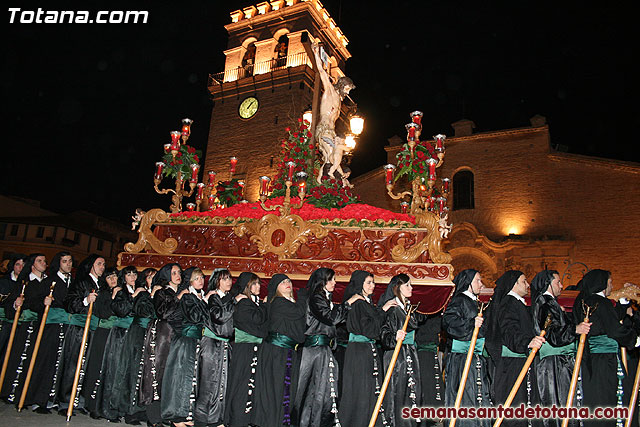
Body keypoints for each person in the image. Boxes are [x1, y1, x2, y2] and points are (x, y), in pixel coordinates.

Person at [294, 268, 362, 426]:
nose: (334, 283)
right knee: (314, 391)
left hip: (323, 349)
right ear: (322, 281)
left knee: (321, 391)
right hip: (315, 350)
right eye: (331, 280)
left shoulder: (323, 298)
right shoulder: (316, 297)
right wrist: (348, 303)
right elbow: (331, 319)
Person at [572, 269, 640, 427]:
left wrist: (623, 303)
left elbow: (607, 320)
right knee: (607, 397)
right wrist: (634, 340)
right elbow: (614, 328)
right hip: (605, 360)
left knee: (595, 399)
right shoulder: (600, 302)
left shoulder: (584, 301)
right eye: (609, 282)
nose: (611, 286)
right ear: (602, 284)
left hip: (590, 359)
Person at [531, 269, 591, 427]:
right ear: (548, 284)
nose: (562, 285)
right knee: (558, 404)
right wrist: (575, 329)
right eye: (558, 282)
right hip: (554, 364)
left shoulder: (550, 303)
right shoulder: (545, 303)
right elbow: (552, 333)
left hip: (561, 362)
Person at [487, 271, 545, 427]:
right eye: (524, 281)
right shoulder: (508, 303)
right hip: (511, 364)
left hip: (519, 362)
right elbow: (509, 329)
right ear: (514, 284)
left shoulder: (517, 303)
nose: (528, 285)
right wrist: (527, 342)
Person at [339, 270, 396, 427]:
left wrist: (382, 310)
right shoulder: (358, 303)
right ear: (360, 285)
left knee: (370, 386)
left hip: (366, 348)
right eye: (368, 283)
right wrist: (383, 310)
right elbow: (370, 329)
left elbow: (372, 322)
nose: (373, 286)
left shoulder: (366, 302)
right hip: (359, 350)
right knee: (361, 387)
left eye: (373, 282)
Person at [22, 251, 74, 413]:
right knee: (46, 361)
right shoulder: (49, 281)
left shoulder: (74, 282)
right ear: (58, 264)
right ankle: (39, 399)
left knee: (63, 363)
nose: (68, 264)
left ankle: (56, 398)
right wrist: (43, 302)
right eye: (65, 261)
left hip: (67, 327)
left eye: (70, 261)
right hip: (50, 327)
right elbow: (32, 301)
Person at [251, 274, 306, 427]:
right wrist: (303, 296)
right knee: (275, 390)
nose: (287, 283)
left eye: (288, 280)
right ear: (276, 288)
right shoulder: (278, 302)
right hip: (276, 352)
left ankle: (281, 422)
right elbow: (298, 312)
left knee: (286, 390)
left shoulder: (291, 303)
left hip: (287, 352)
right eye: (282, 282)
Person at [54, 254, 103, 414]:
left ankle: (80, 400)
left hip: (94, 328)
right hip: (80, 328)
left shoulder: (102, 284)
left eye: (103, 264)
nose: (102, 267)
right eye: (99, 264)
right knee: (73, 364)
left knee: (86, 366)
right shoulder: (82, 282)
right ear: (91, 266)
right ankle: (65, 401)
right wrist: (85, 300)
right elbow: (69, 303)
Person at [161, 267, 210, 427]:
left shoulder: (198, 295)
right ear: (189, 281)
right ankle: (176, 416)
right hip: (185, 340)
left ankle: (187, 414)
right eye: (197, 278)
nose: (201, 281)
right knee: (180, 377)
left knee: (193, 379)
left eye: (202, 277)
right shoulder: (188, 297)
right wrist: (205, 301)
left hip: (196, 340)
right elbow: (196, 317)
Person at [378, 274, 429, 427]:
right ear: (397, 288)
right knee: (397, 391)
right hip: (397, 356)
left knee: (412, 390)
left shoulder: (408, 308)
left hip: (409, 353)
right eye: (407, 285)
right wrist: (395, 336)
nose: (411, 288)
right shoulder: (392, 308)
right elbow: (383, 334)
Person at [442, 269, 491, 427]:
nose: (481, 284)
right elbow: (448, 322)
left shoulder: (473, 302)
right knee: (466, 397)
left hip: (474, 357)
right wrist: (471, 324)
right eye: (478, 280)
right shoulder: (460, 300)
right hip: (463, 359)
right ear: (468, 283)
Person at [110, 267, 155, 425]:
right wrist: (135, 296)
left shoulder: (148, 291)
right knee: (128, 371)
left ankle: (140, 409)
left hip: (147, 334)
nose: (132, 277)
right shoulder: (125, 291)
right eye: (129, 274)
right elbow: (123, 310)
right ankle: (126, 409)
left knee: (144, 373)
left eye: (134, 274)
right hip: (129, 334)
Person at [0, 253, 47, 403]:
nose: (44, 263)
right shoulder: (24, 283)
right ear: (32, 265)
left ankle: (26, 395)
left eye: (45, 261)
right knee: (17, 358)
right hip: (23, 327)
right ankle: (10, 391)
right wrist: (16, 303)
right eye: (40, 261)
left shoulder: (48, 283)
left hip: (41, 327)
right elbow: (9, 306)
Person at [140, 263, 181, 427]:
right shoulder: (162, 292)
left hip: (177, 336)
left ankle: (168, 413)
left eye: (179, 272)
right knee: (156, 372)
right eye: (173, 273)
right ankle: (153, 417)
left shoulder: (184, 292)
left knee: (172, 375)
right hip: (163, 335)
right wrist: (179, 299)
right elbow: (163, 313)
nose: (178, 275)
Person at [225, 272, 268, 427]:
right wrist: (265, 306)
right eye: (254, 284)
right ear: (246, 286)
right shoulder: (244, 303)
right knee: (242, 384)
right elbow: (258, 322)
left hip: (254, 347)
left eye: (258, 284)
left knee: (252, 384)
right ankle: (239, 419)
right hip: (245, 349)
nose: (258, 287)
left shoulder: (253, 302)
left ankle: (248, 418)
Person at [194, 268, 235, 426]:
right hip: (211, 343)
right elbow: (219, 317)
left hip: (224, 343)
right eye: (224, 279)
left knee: (222, 381)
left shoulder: (228, 297)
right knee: (208, 381)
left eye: (230, 278)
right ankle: (203, 418)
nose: (229, 282)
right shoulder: (214, 297)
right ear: (217, 281)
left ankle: (216, 418)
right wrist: (233, 303)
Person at [311, 42, 355, 184]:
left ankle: (336, 181)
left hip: (331, 132)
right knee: (331, 155)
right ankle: (333, 179)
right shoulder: (330, 90)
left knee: (333, 156)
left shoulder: (339, 101)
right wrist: (316, 53)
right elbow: (322, 71)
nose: (347, 92)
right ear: (341, 85)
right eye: (347, 89)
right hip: (324, 129)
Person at [415, 310, 444, 425]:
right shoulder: (422, 311)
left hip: (431, 351)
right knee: (426, 385)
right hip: (423, 351)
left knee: (432, 383)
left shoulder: (435, 310)